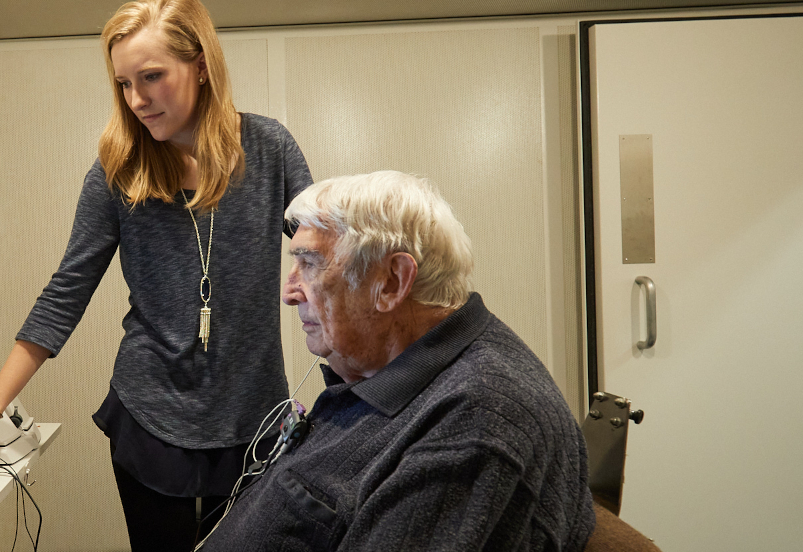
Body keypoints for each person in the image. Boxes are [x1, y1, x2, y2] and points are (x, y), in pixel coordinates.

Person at [0, 0, 312, 549]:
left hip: (254, 413)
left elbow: (328, 258)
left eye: (152, 77)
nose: (136, 100)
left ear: (200, 64)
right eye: (124, 83)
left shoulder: (269, 149)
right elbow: (66, 291)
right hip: (150, 412)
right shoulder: (118, 170)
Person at [198, 171, 595, 551]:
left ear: (390, 282)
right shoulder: (388, 371)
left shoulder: (476, 422)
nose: (289, 293)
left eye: (310, 264)